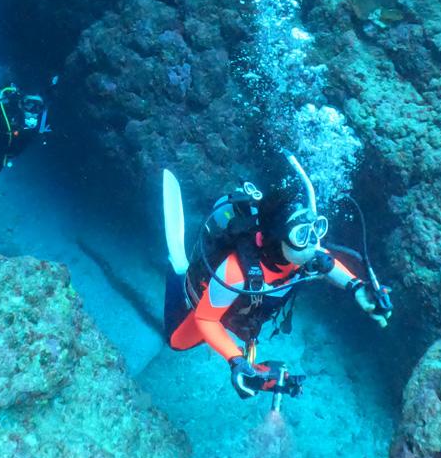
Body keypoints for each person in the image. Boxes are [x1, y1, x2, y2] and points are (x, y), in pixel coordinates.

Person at [162, 154, 392, 399]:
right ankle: (178, 269)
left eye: (316, 230)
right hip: (211, 303)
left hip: (243, 310)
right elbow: (207, 319)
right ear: (275, 239)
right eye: (302, 235)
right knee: (177, 342)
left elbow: (329, 264)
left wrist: (357, 287)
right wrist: (236, 361)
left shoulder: (303, 252)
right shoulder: (235, 271)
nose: (314, 244)